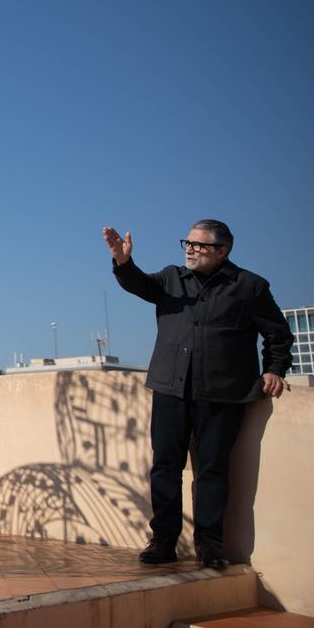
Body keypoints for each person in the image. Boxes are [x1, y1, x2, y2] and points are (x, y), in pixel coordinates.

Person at [102, 219, 292, 569]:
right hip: (170, 388)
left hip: (222, 393)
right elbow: (139, 285)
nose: (189, 249)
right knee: (165, 467)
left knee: (212, 471)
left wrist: (274, 369)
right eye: (186, 243)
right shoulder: (171, 278)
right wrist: (123, 261)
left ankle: (209, 545)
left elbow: (278, 335)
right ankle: (162, 541)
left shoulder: (249, 286)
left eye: (198, 245)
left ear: (222, 251)